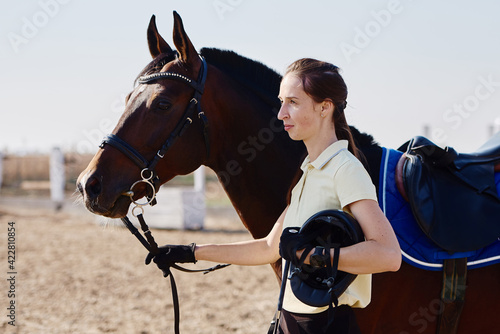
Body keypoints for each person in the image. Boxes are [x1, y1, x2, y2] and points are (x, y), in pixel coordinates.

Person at [146, 58, 401, 333]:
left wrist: (314, 255)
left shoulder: (345, 169)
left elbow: (388, 255)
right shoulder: (310, 172)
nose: (281, 114)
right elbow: (269, 247)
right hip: (290, 322)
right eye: (281, 102)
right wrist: (191, 252)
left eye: (293, 102)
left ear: (325, 107)